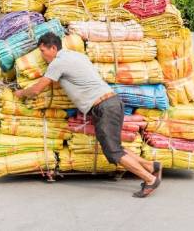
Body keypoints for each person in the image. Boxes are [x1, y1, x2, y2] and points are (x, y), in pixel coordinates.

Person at [14, 32, 162, 198]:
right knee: (116, 147)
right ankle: (151, 166)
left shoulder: (58, 63)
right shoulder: (77, 56)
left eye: (43, 51)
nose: (42, 55)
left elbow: (36, 90)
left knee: (113, 153)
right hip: (112, 103)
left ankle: (149, 179)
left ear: (53, 48)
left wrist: (20, 93)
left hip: (104, 107)